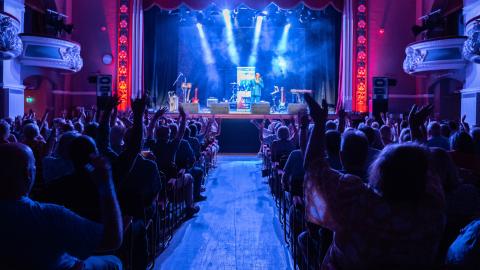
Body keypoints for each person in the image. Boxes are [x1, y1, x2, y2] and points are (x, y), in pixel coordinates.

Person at [303, 94, 446, 269]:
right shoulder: (432, 211)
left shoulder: (359, 202)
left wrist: (318, 124)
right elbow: (428, 169)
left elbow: (313, 167)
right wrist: (416, 130)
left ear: (380, 171)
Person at [0, 143, 123, 270]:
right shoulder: (50, 217)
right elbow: (112, 239)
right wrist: (106, 184)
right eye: (34, 165)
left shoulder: (52, 190)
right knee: (114, 262)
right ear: (27, 174)